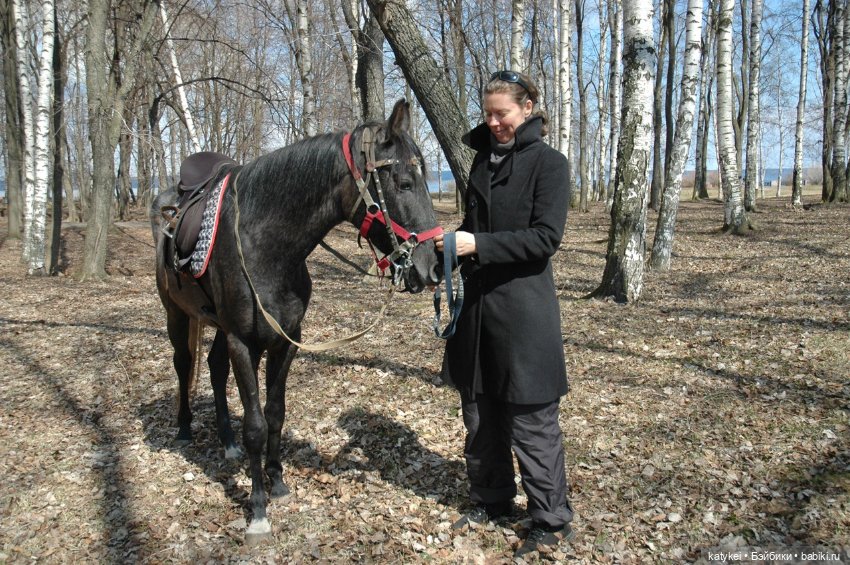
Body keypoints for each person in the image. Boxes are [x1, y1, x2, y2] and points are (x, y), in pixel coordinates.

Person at [434, 70, 574, 559]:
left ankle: (551, 520)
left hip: (524, 313)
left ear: (528, 107)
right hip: (476, 312)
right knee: (480, 414)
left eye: (503, 113)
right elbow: (473, 229)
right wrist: (444, 246)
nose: (493, 122)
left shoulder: (549, 165)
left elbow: (545, 238)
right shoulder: (480, 162)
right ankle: (492, 500)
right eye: (488, 114)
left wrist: (479, 244)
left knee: (531, 421)